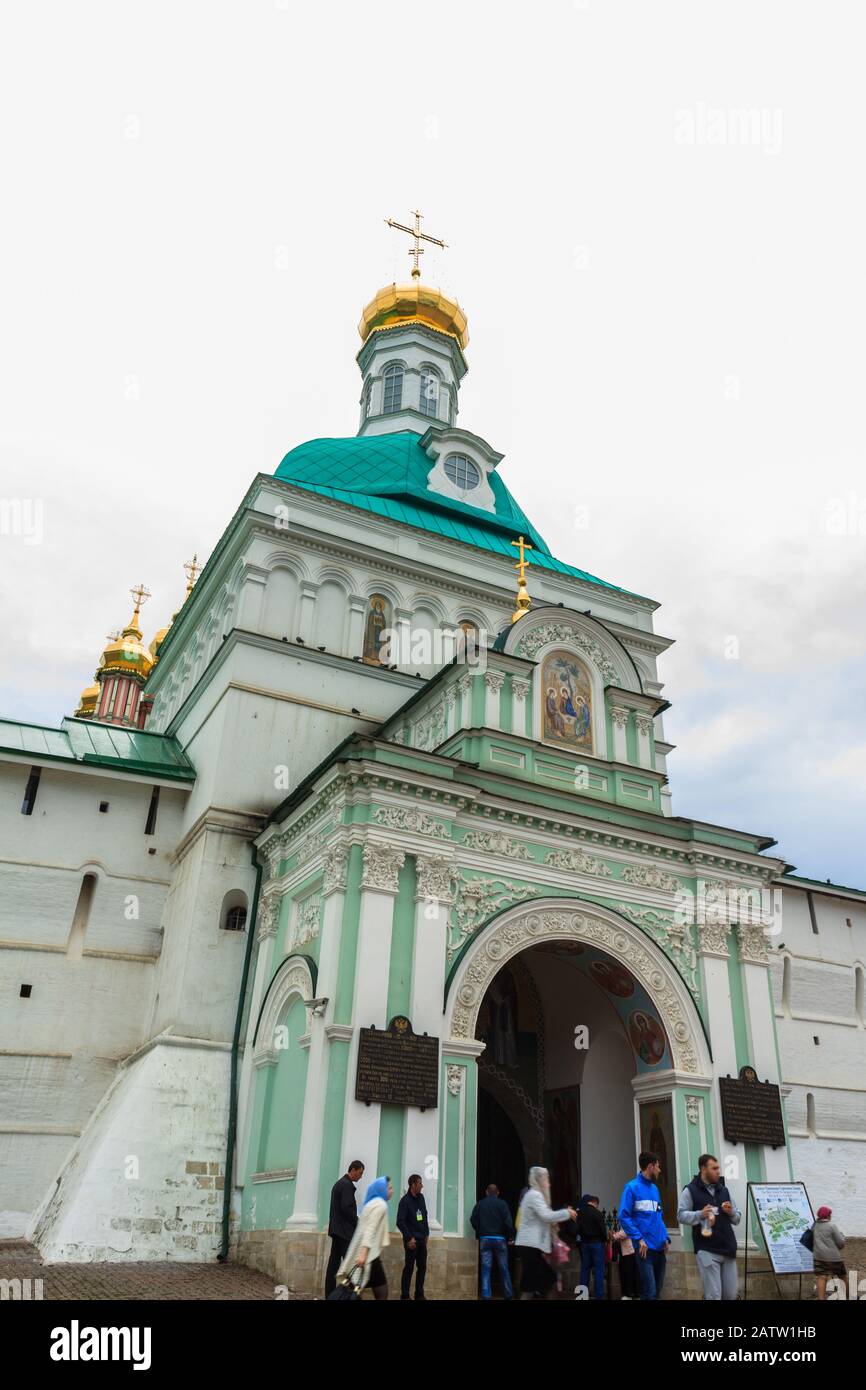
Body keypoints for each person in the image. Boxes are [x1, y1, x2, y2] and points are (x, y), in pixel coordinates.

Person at [676, 1153, 741, 1300]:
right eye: (714, 1168)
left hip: (728, 1249)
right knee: (714, 1296)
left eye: (718, 1168)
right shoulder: (690, 1190)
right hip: (707, 1249)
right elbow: (680, 1215)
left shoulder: (724, 1190)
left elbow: (737, 1218)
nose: (718, 1172)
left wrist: (731, 1212)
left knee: (730, 1296)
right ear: (703, 1169)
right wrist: (700, 1214)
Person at [515, 1166, 577, 1300]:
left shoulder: (532, 1195)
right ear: (539, 1180)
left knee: (530, 1283)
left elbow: (543, 1218)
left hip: (528, 1244)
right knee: (549, 1278)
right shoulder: (535, 1195)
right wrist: (567, 1213)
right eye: (546, 1179)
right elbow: (546, 1216)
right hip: (529, 1245)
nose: (548, 1183)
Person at [619, 1151, 670, 1300]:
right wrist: (638, 1239)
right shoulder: (631, 1188)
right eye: (658, 1167)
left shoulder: (655, 1189)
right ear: (650, 1166)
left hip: (660, 1249)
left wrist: (665, 1237)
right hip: (644, 1250)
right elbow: (623, 1216)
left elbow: (658, 1216)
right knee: (650, 1292)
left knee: (657, 1291)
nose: (660, 1170)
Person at [335, 1175, 393, 1300]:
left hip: (363, 1254)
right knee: (381, 1292)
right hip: (368, 1256)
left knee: (354, 1288)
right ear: (381, 1190)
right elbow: (370, 1230)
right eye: (389, 1188)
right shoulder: (381, 1205)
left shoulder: (370, 1203)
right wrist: (363, 1254)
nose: (391, 1191)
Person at [324, 1159, 364, 1297]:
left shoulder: (339, 1184)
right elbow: (347, 1208)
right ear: (353, 1170)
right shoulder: (346, 1185)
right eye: (360, 1173)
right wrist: (358, 1223)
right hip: (344, 1233)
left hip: (337, 1231)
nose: (361, 1176)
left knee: (333, 1266)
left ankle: (330, 1295)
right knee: (352, 1267)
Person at [470, 1183, 515, 1300]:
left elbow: (473, 1219)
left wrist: (480, 1231)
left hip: (485, 1239)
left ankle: (486, 1295)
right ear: (498, 1193)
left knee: (486, 1269)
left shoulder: (480, 1204)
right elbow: (509, 1222)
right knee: (504, 1268)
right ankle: (508, 1295)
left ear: (486, 1192)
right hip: (500, 1240)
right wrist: (511, 1237)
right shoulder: (503, 1204)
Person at [396, 1174, 429, 1301]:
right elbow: (400, 1222)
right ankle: (405, 1295)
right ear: (413, 1185)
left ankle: (419, 1294)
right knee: (409, 1268)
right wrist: (409, 1238)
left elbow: (424, 1216)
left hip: (422, 1240)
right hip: (412, 1241)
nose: (422, 1186)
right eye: (420, 1183)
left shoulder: (421, 1198)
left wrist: (426, 1233)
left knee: (422, 1267)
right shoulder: (405, 1201)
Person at [812, 1205, 846, 1300]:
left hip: (818, 1256)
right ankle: (848, 1295)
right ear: (828, 1215)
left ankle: (821, 1298)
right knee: (842, 1277)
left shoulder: (815, 1225)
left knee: (821, 1277)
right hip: (833, 1258)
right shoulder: (831, 1226)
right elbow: (840, 1243)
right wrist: (843, 1238)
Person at [577, 1194, 607, 1301]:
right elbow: (603, 1231)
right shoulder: (597, 1213)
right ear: (594, 1202)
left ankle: (582, 1296)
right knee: (599, 1270)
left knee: (585, 1270)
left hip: (584, 1244)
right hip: (597, 1244)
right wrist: (605, 1240)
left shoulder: (580, 1213)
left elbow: (578, 1229)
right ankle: (599, 1296)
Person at [612, 1223, 638, 1299]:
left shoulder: (630, 1221)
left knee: (628, 1273)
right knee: (629, 1273)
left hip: (629, 1251)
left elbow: (626, 1232)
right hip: (628, 1251)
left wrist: (614, 1236)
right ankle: (631, 1293)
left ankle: (629, 1294)